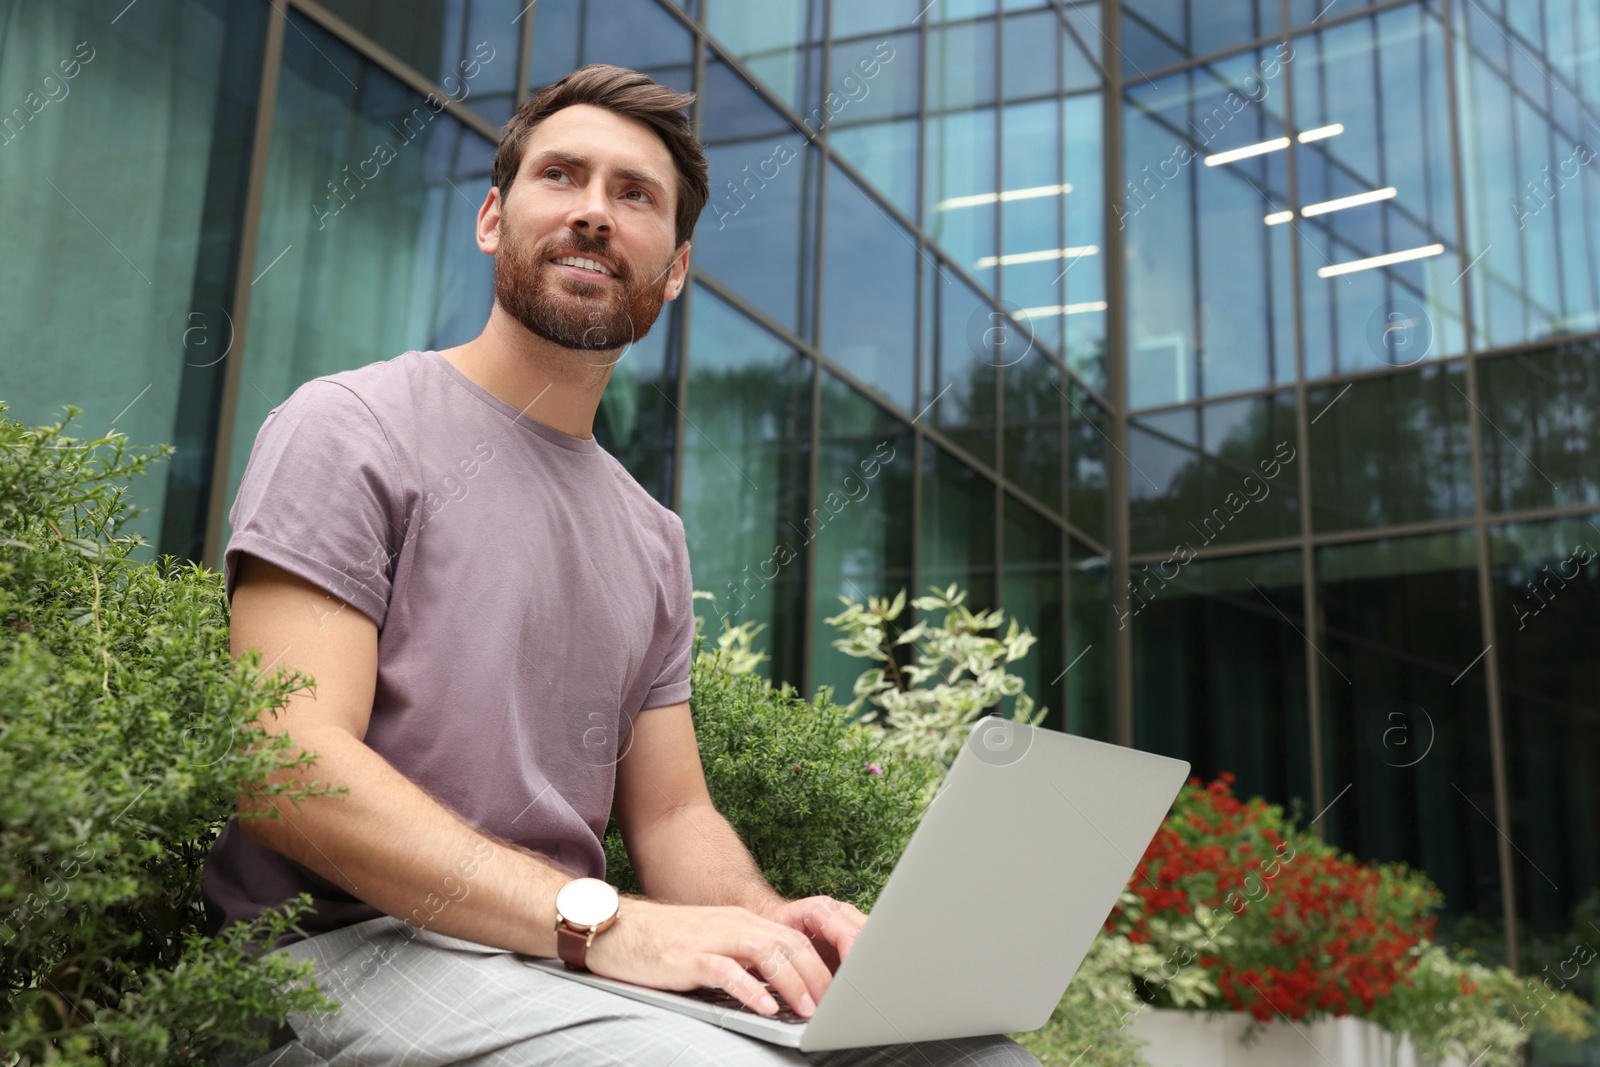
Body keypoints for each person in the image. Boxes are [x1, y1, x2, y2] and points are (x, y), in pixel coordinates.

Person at [207, 63, 1040, 1066]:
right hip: (344, 948)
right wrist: (603, 922)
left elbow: (675, 812)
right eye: (561, 176)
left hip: (548, 962)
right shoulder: (351, 427)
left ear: (675, 266)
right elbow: (288, 769)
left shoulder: (649, 532)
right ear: (489, 219)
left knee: (974, 1055)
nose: (594, 213)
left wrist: (774, 926)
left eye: (634, 194)